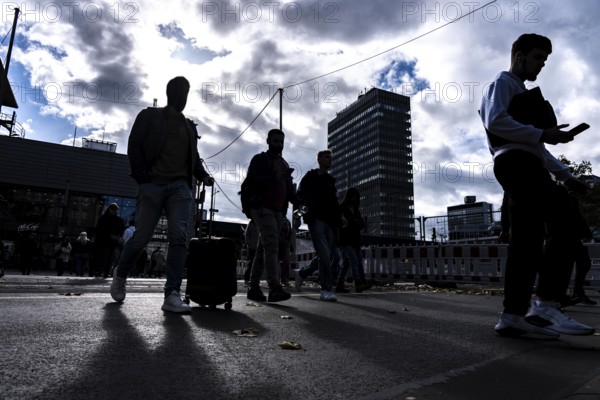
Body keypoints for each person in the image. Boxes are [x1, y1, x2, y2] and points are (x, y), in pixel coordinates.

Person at [479, 33, 595, 338]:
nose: (541, 65)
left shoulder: (519, 91)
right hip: (516, 163)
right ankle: (545, 305)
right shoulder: (502, 82)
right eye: (537, 58)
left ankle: (513, 314)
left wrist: (566, 175)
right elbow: (495, 121)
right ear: (519, 55)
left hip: (523, 163)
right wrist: (543, 132)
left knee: (526, 242)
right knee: (567, 219)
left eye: (544, 60)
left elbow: (538, 148)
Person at [110, 76, 214, 313]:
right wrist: (142, 178)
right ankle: (121, 273)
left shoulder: (189, 126)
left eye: (186, 93)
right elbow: (134, 144)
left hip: (180, 187)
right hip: (152, 185)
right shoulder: (149, 116)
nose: (182, 97)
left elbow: (194, 159)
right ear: (169, 93)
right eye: (178, 92)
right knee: (142, 236)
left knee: (179, 237)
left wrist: (203, 175)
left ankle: (172, 294)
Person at [245, 128, 295, 303]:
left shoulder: (284, 164)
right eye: (275, 141)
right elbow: (252, 181)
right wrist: (276, 178)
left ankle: (254, 287)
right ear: (268, 141)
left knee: (263, 248)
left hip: (278, 211)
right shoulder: (260, 160)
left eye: (281, 142)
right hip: (262, 207)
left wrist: (299, 201)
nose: (279, 145)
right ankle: (274, 287)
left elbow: (289, 191)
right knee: (271, 245)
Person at [296, 150, 345, 302]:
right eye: (327, 157)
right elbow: (300, 194)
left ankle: (302, 273)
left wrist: (340, 216)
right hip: (315, 219)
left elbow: (334, 200)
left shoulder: (331, 180)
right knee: (325, 255)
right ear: (318, 159)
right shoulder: (310, 176)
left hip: (329, 221)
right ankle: (326, 289)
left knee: (328, 255)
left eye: (331, 158)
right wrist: (300, 213)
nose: (330, 160)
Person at [335, 188, 368, 293]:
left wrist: (354, 223)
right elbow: (343, 224)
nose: (354, 199)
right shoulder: (342, 208)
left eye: (356, 197)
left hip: (355, 240)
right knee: (354, 259)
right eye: (353, 196)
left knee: (346, 263)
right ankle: (358, 283)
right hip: (345, 239)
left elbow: (361, 224)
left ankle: (339, 284)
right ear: (348, 197)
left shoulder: (356, 210)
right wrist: (355, 223)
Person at [93, 203, 125, 278]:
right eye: (113, 209)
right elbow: (99, 231)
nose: (114, 211)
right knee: (105, 258)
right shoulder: (115, 219)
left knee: (107, 258)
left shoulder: (105, 219)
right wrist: (115, 236)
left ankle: (103, 272)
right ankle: (101, 272)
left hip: (107, 243)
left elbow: (99, 230)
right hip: (106, 242)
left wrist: (117, 236)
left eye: (115, 209)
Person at [243, 219, 259, 285]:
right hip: (252, 247)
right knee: (252, 263)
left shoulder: (259, 223)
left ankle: (253, 279)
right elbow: (247, 234)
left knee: (257, 264)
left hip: (258, 247)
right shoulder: (251, 223)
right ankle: (247, 278)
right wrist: (249, 244)